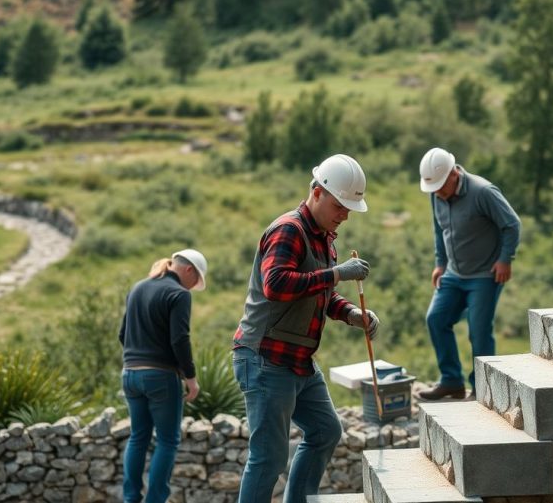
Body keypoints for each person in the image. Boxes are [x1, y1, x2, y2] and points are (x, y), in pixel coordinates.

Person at [232, 153, 380, 501]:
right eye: (340, 205)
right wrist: (337, 273)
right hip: (266, 358)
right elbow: (278, 285)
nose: (344, 214)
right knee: (268, 458)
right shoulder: (289, 229)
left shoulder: (325, 238)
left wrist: (352, 315)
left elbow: (321, 294)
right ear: (317, 193)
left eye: (348, 208)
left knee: (326, 431)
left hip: (297, 360)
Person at [417, 147, 521, 400]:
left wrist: (505, 260)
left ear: (454, 173)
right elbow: (438, 230)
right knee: (436, 319)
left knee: (478, 330)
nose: (438, 193)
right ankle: (451, 381)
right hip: (453, 272)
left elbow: (511, 224)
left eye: (441, 186)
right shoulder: (436, 193)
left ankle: (483, 389)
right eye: (434, 189)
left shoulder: (483, 192)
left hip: (485, 275)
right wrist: (440, 264)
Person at [119, 248, 208, 503]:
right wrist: (190, 378)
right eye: (196, 281)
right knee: (168, 441)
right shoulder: (178, 294)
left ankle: (130, 499)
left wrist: (137, 358)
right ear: (188, 270)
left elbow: (122, 335)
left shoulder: (137, 288)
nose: (193, 287)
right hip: (160, 377)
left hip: (129, 374)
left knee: (138, 437)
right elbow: (180, 339)